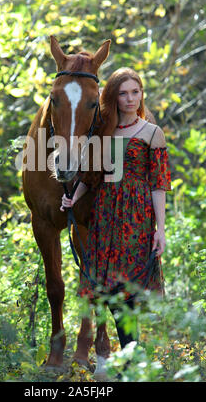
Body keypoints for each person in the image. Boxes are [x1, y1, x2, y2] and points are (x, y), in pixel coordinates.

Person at [60, 67, 171, 371]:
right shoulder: (103, 132)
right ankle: (130, 361)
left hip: (136, 219)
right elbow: (92, 177)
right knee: (104, 289)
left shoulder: (152, 132)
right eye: (123, 93)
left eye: (135, 92)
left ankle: (132, 363)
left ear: (141, 94)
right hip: (105, 215)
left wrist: (160, 229)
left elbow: (159, 183)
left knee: (127, 292)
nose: (130, 98)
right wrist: (74, 197)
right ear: (114, 96)